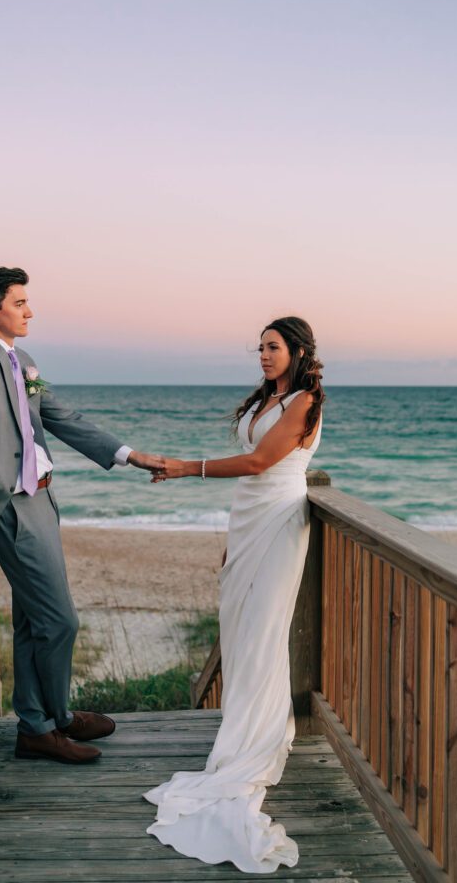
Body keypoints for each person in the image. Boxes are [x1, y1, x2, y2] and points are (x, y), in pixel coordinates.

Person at [0, 266, 163, 765]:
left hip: (41, 500)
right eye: (19, 303)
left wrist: (130, 455)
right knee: (60, 621)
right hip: (7, 505)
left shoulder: (25, 360)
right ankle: (43, 724)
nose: (29, 311)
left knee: (37, 622)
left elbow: (60, 418)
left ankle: (46, 720)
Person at [144, 316, 324, 873]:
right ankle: (242, 726)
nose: (264, 356)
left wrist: (184, 468)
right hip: (248, 522)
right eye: (261, 348)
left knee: (265, 631)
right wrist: (230, 540)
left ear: (297, 351)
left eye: (273, 348)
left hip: (278, 519)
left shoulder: (304, 401)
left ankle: (258, 740)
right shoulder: (268, 397)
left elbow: (259, 463)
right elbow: (250, 475)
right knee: (239, 628)